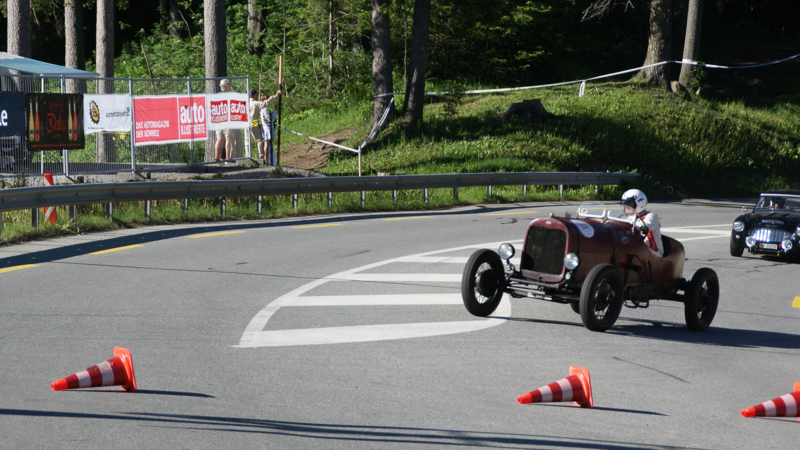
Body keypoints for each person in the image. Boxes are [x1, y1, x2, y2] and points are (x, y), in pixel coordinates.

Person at [621, 189, 663, 257]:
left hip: (653, 253)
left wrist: (642, 227)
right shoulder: (629, 218)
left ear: (640, 203)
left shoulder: (651, 216)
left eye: (629, 204)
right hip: (639, 250)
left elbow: (648, 224)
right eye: (625, 205)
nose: (627, 207)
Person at [248, 89, 281, 162]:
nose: (257, 97)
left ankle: (248, 155)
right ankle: (261, 156)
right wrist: (275, 96)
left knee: (248, 140)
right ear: (254, 96)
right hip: (253, 121)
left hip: (246, 122)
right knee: (259, 140)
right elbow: (266, 103)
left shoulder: (246, 103)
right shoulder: (255, 103)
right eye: (256, 95)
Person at [215, 79, 234, 161]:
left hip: (218, 120)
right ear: (226, 86)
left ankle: (217, 157)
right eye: (229, 85)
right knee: (228, 138)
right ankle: (227, 157)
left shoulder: (217, 96)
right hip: (227, 120)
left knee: (219, 138)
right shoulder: (229, 96)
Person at [259, 92, 280, 165]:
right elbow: (270, 119)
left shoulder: (263, 110)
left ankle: (271, 160)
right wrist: (274, 112)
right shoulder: (264, 110)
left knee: (269, 146)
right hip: (267, 129)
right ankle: (267, 160)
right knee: (267, 145)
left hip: (268, 128)